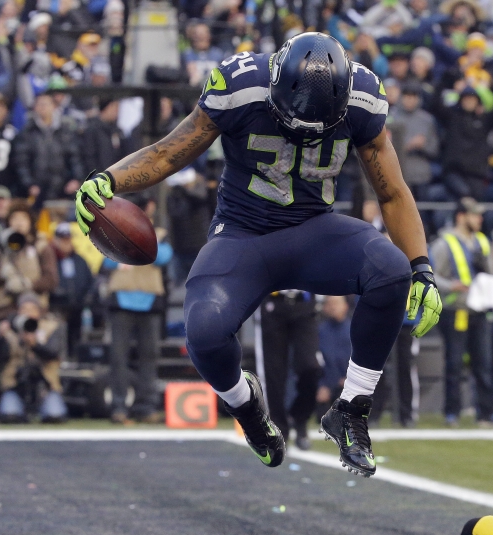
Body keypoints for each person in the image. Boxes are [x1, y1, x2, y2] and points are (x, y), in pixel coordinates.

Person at [74, 33, 440, 477]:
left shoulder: (363, 97)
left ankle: (351, 409)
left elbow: (392, 191)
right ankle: (247, 408)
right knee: (204, 333)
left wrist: (423, 268)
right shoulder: (240, 86)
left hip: (314, 231)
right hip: (243, 236)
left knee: (392, 271)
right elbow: (170, 151)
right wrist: (109, 180)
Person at [430, 197, 493, 427]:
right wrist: (452, 285)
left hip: (479, 310)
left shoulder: (483, 242)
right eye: (475, 215)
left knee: (484, 362)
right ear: (461, 217)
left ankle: (486, 412)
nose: (479, 219)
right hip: (456, 310)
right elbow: (431, 274)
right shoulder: (444, 243)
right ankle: (452, 412)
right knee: (454, 364)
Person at [104, 197, 172, 424]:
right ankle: (119, 406)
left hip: (150, 299)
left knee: (150, 356)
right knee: (118, 357)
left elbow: (163, 256)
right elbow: (107, 262)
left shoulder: (159, 234)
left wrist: (133, 244)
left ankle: (146, 406)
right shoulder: (112, 233)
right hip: (122, 299)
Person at [0, 292, 67, 423]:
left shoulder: (51, 327)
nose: (28, 313)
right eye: (24, 309)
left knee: (54, 415)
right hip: (15, 384)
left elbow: (53, 353)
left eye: (31, 309)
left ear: (39, 312)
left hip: (45, 385)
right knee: (9, 415)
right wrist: (0, 338)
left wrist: (34, 344)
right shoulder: (10, 331)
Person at [259, 290, 321, 450]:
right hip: (274, 299)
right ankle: (279, 431)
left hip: (304, 300)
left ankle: (300, 417)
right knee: (274, 373)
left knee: (310, 366)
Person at [0, 202, 58, 323]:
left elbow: (51, 279)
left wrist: (29, 285)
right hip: (4, 313)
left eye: (23, 218)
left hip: (35, 313)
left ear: (30, 222)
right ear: (8, 222)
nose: (19, 223)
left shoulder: (41, 247)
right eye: (14, 218)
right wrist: (2, 274)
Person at [13, 92, 83, 203]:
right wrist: (29, 184)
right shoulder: (27, 132)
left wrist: (76, 179)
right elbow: (21, 162)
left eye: (46, 104)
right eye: (39, 104)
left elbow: (75, 157)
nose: (43, 107)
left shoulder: (65, 131)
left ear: (54, 106)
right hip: (36, 192)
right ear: (35, 107)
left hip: (62, 191)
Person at [49, 222, 93, 359]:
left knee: (77, 335)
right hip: (56, 307)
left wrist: (86, 297)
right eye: (62, 240)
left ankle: (75, 359)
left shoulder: (80, 260)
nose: (65, 243)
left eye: (67, 239)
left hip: (76, 306)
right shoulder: (50, 259)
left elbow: (89, 281)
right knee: (58, 335)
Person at [317, 295, 353, 417]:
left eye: (336, 303)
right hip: (327, 385)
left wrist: (349, 378)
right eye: (329, 304)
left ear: (345, 306)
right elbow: (319, 361)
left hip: (349, 383)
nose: (333, 307)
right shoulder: (319, 332)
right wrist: (323, 385)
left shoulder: (354, 331)